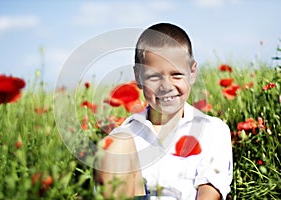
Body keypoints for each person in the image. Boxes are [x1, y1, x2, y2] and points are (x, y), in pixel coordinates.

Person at [94, 22, 233, 200]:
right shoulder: (127, 135)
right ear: (138, 77)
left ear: (192, 72)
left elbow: (210, 190)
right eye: (153, 76)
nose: (166, 86)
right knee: (116, 145)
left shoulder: (213, 129)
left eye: (176, 74)